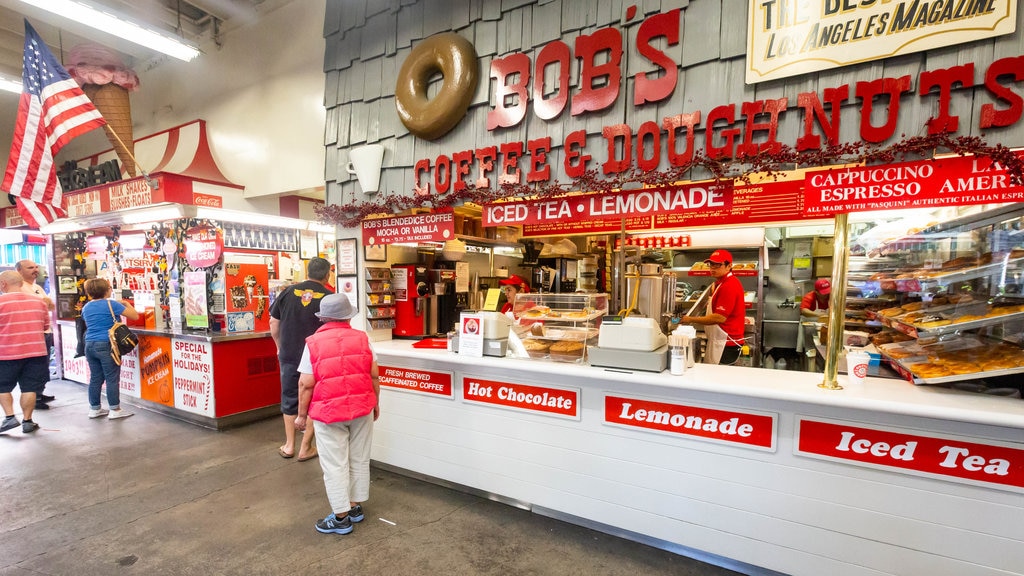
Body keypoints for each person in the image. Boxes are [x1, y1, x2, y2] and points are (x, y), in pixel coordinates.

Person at [293, 293, 379, 535]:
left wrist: (301, 416)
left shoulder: (312, 343)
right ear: (347, 317)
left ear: (324, 318)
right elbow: (374, 375)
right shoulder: (364, 339)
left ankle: (340, 517)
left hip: (329, 412)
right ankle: (354, 506)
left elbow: (305, 384)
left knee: (334, 464)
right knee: (359, 458)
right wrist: (376, 403)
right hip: (362, 408)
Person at [269, 256, 333, 461]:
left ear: (307, 272)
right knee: (315, 400)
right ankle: (306, 448)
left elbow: (273, 323)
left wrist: (280, 347)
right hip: (317, 357)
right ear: (327, 274)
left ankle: (289, 446)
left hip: (289, 355)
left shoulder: (288, 292)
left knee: (289, 398)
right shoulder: (329, 296)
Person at [81, 278, 139, 420]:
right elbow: (135, 316)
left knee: (95, 378)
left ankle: (94, 408)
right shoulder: (111, 304)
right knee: (112, 378)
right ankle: (115, 409)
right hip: (107, 344)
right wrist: (126, 304)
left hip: (89, 344)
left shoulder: (86, 307)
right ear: (106, 290)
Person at [0, 271, 50, 434]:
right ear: (21, 283)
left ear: (3, 284)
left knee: (2, 387)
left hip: (6, 353)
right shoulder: (39, 302)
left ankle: (9, 417)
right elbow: (45, 326)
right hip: (36, 352)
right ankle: (27, 421)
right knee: (29, 387)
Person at [679, 249, 746, 365]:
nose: (712, 268)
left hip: (725, 343)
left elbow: (719, 318)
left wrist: (690, 319)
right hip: (719, 341)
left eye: (718, 265)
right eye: (711, 264)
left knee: (720, 378)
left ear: (729, 266)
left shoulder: (729, 285)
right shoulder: (720, 283)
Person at [16, 260, 55, 409]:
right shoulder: (20, 288)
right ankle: (35, 397)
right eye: (30, 268)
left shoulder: (37, 287)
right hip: (32, 334)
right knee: (35, 366)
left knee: (43, 364)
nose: (35, 270)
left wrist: (45, 304)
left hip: (46, 330)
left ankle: (39, 391)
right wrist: (42, 304)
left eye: (36, 267)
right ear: (19, 271)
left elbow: (51, 306)